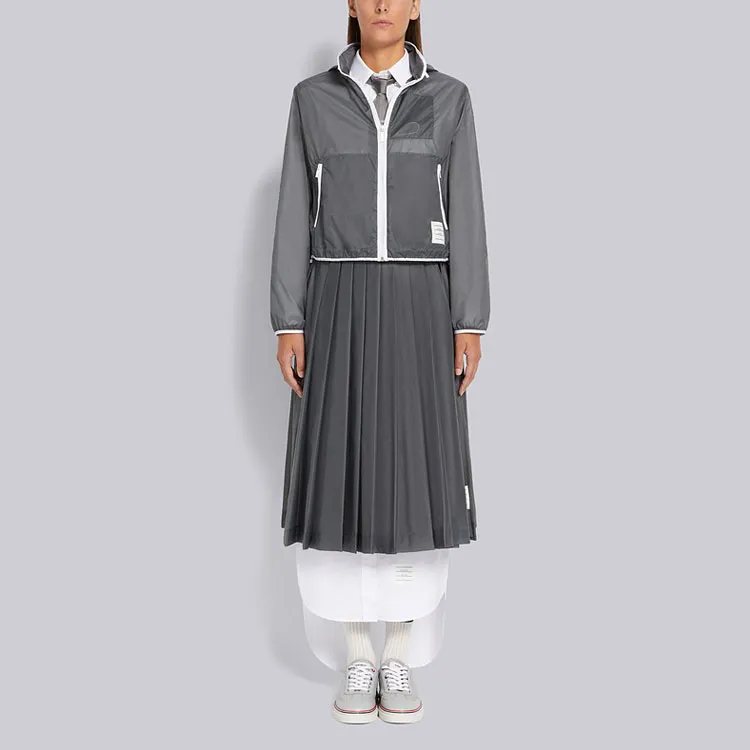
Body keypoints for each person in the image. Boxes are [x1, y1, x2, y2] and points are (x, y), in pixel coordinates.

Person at [269, 0, 490, 725]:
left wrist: (470, 319)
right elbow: (293, 210)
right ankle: (356, 652)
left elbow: (466, 208)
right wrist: (289, 319)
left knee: (413, 473)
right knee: (342, 468)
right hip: (334, 300)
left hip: (423, 306)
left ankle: (399, 652)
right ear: (353, 5)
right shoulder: (313, 100)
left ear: (416, 5)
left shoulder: (449, 99)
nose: (384, 4)